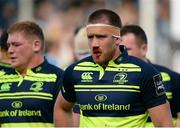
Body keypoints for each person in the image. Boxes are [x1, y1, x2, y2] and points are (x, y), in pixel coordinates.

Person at [54, 9, 173, 127]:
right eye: (90, 37)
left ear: (117, 39)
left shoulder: (145, 72)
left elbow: (164, 124)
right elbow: (62, 108)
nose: (94, 44)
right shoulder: (75, 71)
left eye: (101, 37)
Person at [0, 21, 63, 127]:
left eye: (16, 45)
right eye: (8, 45)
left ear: (36, 45)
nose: (10, 50)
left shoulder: (58, 77)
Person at [120, 24, 180, 127]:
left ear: (144, 48)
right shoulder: (112, 79)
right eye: (119, 50)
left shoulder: (171, 78)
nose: (121, 54)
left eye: (127, 49)